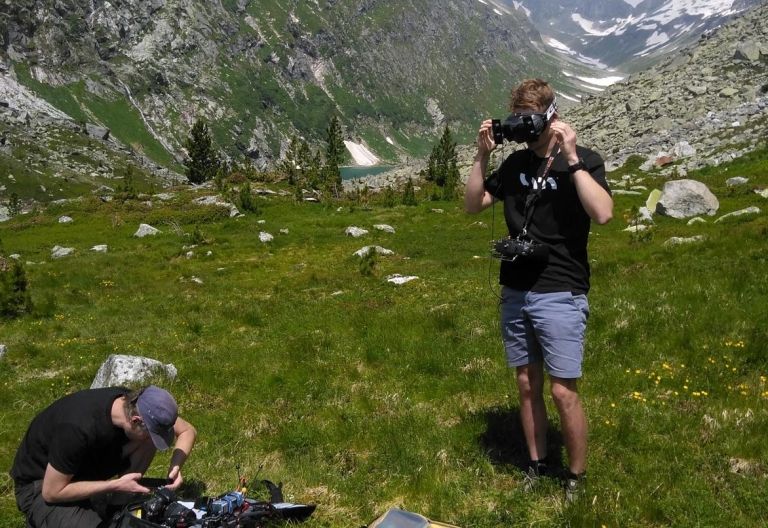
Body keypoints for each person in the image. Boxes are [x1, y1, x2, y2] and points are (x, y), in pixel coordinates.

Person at [464, 79, 613, 500]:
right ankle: (536, 463)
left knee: (563, 389)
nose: (525, 130)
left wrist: (571, 159)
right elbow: (473, 204)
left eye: (530, 121)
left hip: (561, 288)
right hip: (516, 289)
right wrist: (482, 154)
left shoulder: (583, 161)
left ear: (551, 115)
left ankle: (576, 477)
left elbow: (603, 214)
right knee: (526, 383)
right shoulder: (514, 166)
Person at [10, 385, 197, 527]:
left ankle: (117, 505)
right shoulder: (76, 429)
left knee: (139, 518)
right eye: (152, 433)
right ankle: (113, 501)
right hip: (41, 486)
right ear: (135, 420)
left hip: (84, 471)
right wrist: (115, 485)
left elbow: (187, 430)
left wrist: (175, 465)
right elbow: (51, 493)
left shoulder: (138, 404)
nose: (154, 440)